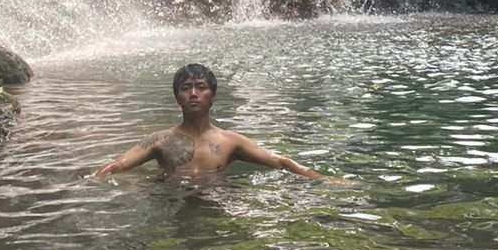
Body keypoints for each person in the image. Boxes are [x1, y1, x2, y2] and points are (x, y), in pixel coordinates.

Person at [95, 62, 343, 185]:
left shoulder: (230, 141)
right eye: (185, 88)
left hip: (219, 197)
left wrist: (326, 180)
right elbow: (118, 165)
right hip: (169, 198)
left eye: (200, 88)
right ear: (176, 98)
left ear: (212, 97)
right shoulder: (159, 140)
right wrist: (86, 184)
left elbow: (281, 162)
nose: (193, 93)